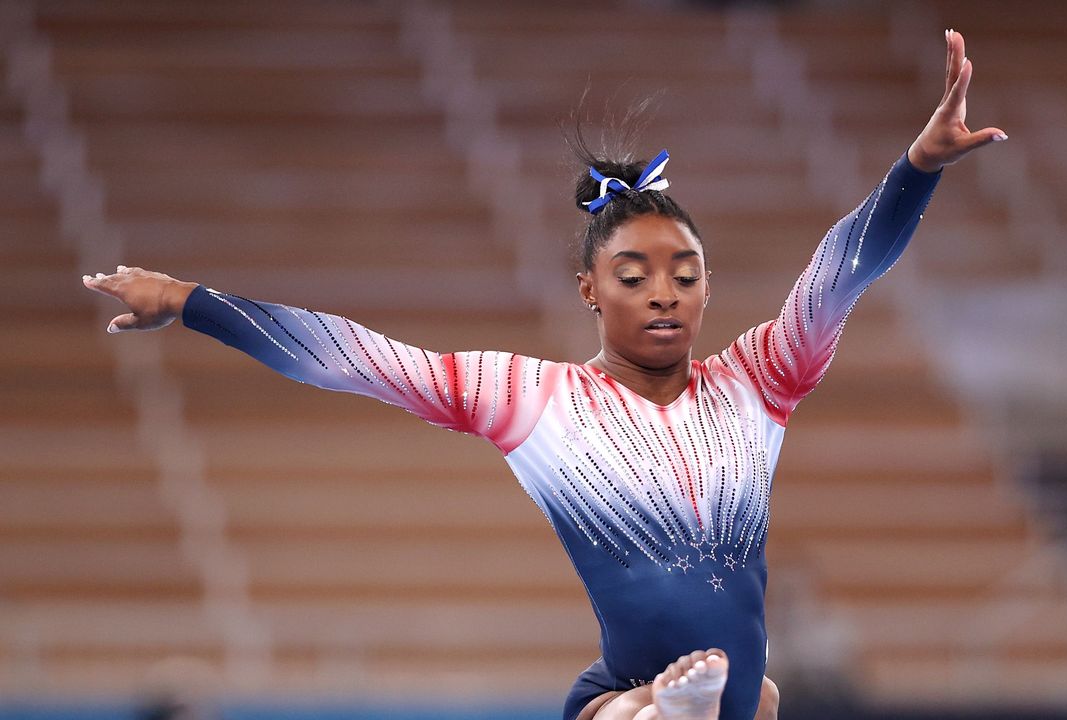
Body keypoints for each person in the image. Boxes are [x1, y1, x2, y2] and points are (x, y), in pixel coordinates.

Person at [82, 29, 1003, 720]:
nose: (664, 297)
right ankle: (661, 711)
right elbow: (354, 359)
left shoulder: (758, 378)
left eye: (684, 277)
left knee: (755, 695)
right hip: (619, 701)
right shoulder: (533, 400)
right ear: (589, 290)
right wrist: (193, 301)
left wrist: (917, 166)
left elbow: (841, 272)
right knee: (674, 708)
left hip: (728, 703)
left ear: (708, 285)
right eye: (634, 278)